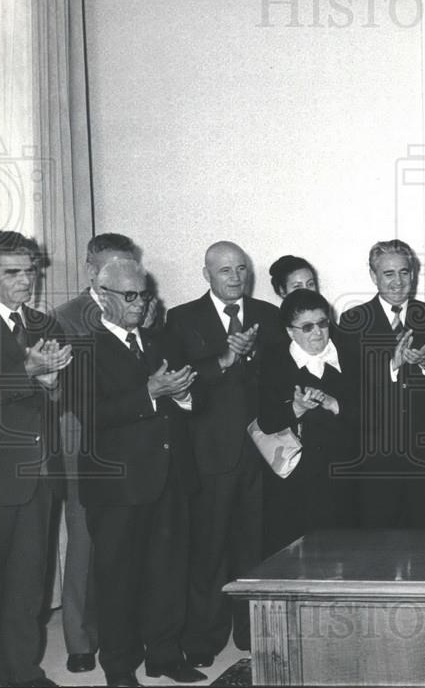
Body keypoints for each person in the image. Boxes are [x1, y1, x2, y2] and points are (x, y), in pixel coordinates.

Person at [76, 258, 205, 687]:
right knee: (118, 579)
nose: (138, 304)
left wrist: (184, 396)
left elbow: (182, 406)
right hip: (117, 485)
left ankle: (165, 655)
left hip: (167, 477)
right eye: (129, 296)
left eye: (143, 295)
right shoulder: (83, 348)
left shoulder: (158, 341)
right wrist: (149, 393)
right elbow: (90, 413)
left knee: (168, 572)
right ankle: (119, 666)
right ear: (101, 295)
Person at [165, 241, 285, 667]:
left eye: (241, 269)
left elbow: (279, 378)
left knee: (255, 551)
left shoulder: (269, 316)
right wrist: (226, 358)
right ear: (206, 275)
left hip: (260, 452)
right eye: (225, 271)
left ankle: (252, 635)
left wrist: (253, 358)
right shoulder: (181, 318)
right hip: (210, 455)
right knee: (209, 551)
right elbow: (177, 383)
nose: (235, 278)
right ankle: (202, 638)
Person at [0, 230, 71, 688]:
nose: (25, 280)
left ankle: (23, 670)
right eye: (11, 271)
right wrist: (28, 372)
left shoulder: (44, 325)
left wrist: (53, 387)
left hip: (39, 473)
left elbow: (60, 396)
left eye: (29, 270)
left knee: (29, 583)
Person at [52, 232, 140, 675]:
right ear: (91, 271)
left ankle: (124, 631)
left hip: (135, 439)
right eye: (111, 266)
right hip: (83, 436)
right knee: (85, 536)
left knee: (129, 539)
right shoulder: (65, 317)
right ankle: (81, 638)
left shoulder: (141, 305)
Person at [339, 239, 425, 528]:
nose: (397, 282)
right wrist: (392, 365)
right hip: (375, 449)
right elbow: (349, 383)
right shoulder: (352, 320)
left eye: (404, 272)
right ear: (373, 275)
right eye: (388, 274)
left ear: (413, 273)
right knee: (377, 542)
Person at [257, 289, 358, 555]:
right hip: (293, 484)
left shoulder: (352, 354)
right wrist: (296, 408)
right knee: (293, 562)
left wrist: (335, 405)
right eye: (307, 327)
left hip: (344, 479)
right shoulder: (271, 360)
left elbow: (373, 416)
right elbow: (264, 421)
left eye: (323, 323)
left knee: (343, 560)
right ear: (290, 331)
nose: (318, 333)